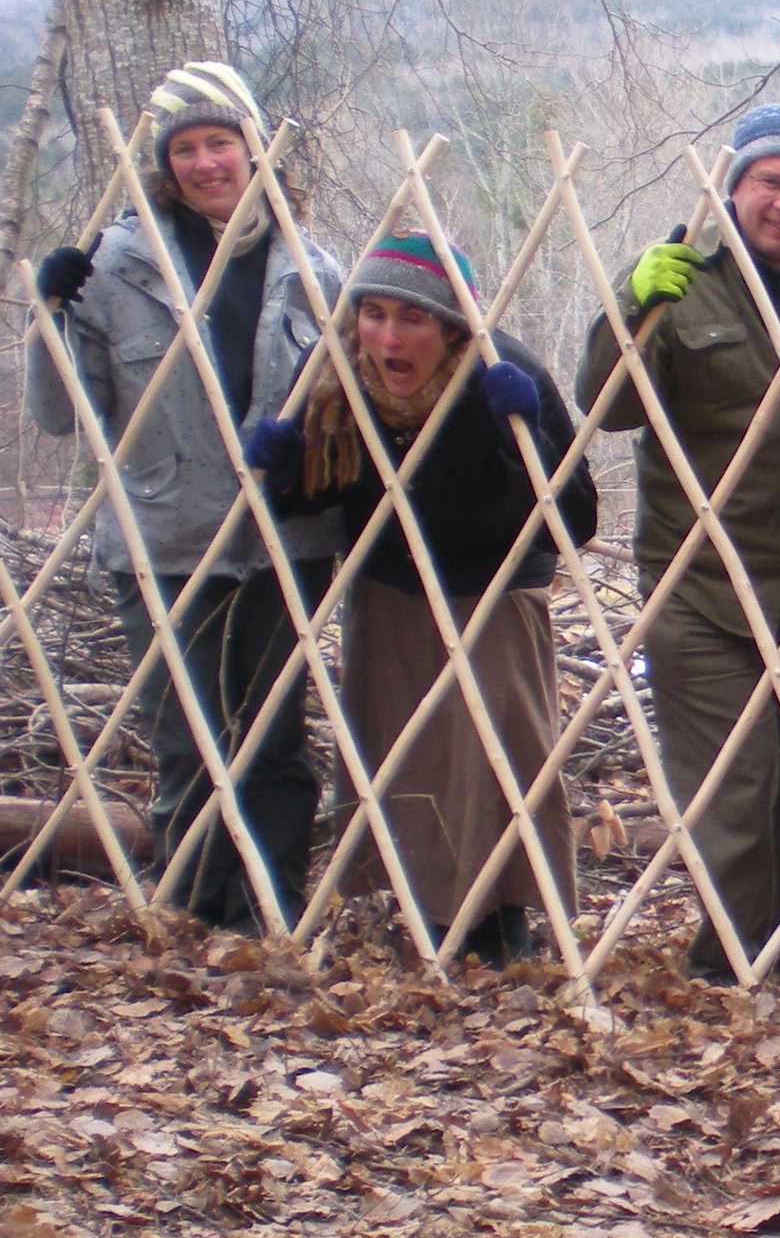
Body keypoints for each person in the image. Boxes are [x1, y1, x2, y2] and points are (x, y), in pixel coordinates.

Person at [25, 62, 344, 935]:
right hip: (167, 538)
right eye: (187, 149)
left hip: (289, 539)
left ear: (256, 149)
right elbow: (60, 415)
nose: (207, 163)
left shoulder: (310, 268)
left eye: (222, 142)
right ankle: (198, 915)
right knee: (188, 741)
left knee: (274, 740)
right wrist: (51, 314)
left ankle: (273, 917)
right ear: (163, 166)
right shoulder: (116, 270)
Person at [245, 234, 596, 965]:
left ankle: (502, 915)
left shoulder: (502, 370)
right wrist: (282, 473)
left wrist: (522, 432)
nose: (388, 336)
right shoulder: (343, 380)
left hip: (491, 592)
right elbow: (321, 490)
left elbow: (576, 516)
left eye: (412, 318)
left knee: (495, 758)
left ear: (451, 326)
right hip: (391, 590)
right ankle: (422, 904)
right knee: (400, 754)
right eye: (372, 314)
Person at [575, 104, 780, 983]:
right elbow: (609, 405)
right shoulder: (678, 278)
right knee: (732, 786)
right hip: (700, 581)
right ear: (732, 188)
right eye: (768, 180)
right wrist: (630, 305)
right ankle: (731, 960)